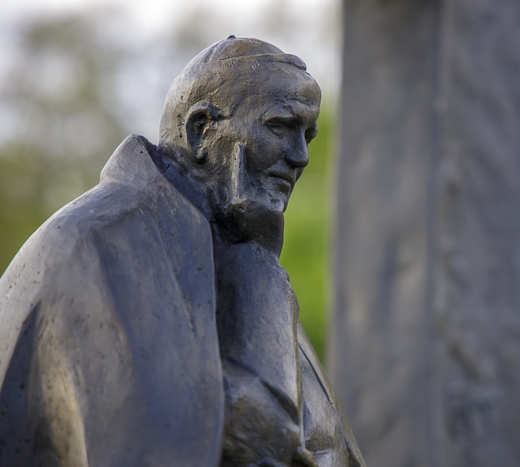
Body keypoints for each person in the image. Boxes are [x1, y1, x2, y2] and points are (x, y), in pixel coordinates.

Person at [0, 36, 365, 467]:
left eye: (308, 135)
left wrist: (256, 263)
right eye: (280, 127)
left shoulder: (232, 247)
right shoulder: (102, 242)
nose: (300, 156)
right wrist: (259, 271)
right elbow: (255, 448)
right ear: (200, 131)